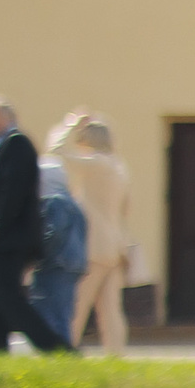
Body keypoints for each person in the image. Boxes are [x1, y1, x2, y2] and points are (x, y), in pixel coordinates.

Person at [0, 95, 70, 354]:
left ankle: (55, 349)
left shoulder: (17, 145)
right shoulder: (2, 148)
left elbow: (13, 194)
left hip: (9, 237)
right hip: (3, 236)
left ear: (9, 117)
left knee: (11, 300)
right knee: (3, 299)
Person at [54, 114, 134, 354]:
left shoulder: (96, 163)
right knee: (110, 309)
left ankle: (65, 350)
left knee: (77, 303)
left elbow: (56, 152)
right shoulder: (120, 168)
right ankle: (116, 355)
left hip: (92, 246)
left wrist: (69, 125)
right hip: (114, 246)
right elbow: (126, 210)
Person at [29, 154, 88, 351]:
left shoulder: (54, 202)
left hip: (55, 264)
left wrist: (35, 254)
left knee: (48, 313)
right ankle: (62, 353)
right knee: (63, 312)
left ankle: (58, 352)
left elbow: (52, 233)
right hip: (72, 265)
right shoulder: (72, 202)